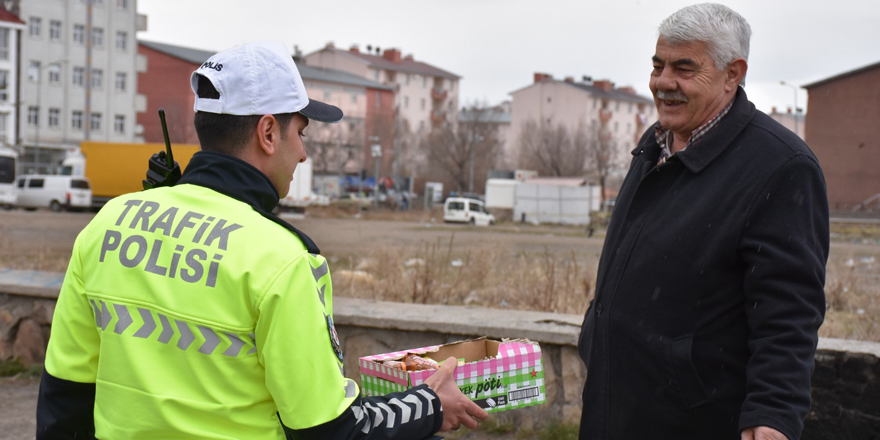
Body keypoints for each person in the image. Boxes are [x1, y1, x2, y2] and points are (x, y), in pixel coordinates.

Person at [36, 41, 487, 440]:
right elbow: (327, 428)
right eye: (301, 133)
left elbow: (63, 400)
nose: (304, 153)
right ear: (269, 133)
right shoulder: (281, 258)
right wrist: (428, 407)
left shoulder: (108, 223)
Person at [577, 4, 828, 440]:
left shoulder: (780, 166)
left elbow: (788, 311)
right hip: (615, 403)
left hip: (695, 419)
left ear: (733, 74)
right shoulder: (656, 143)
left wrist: (772, 413)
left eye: (684, 68)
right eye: (658, 66)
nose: (662, 82)